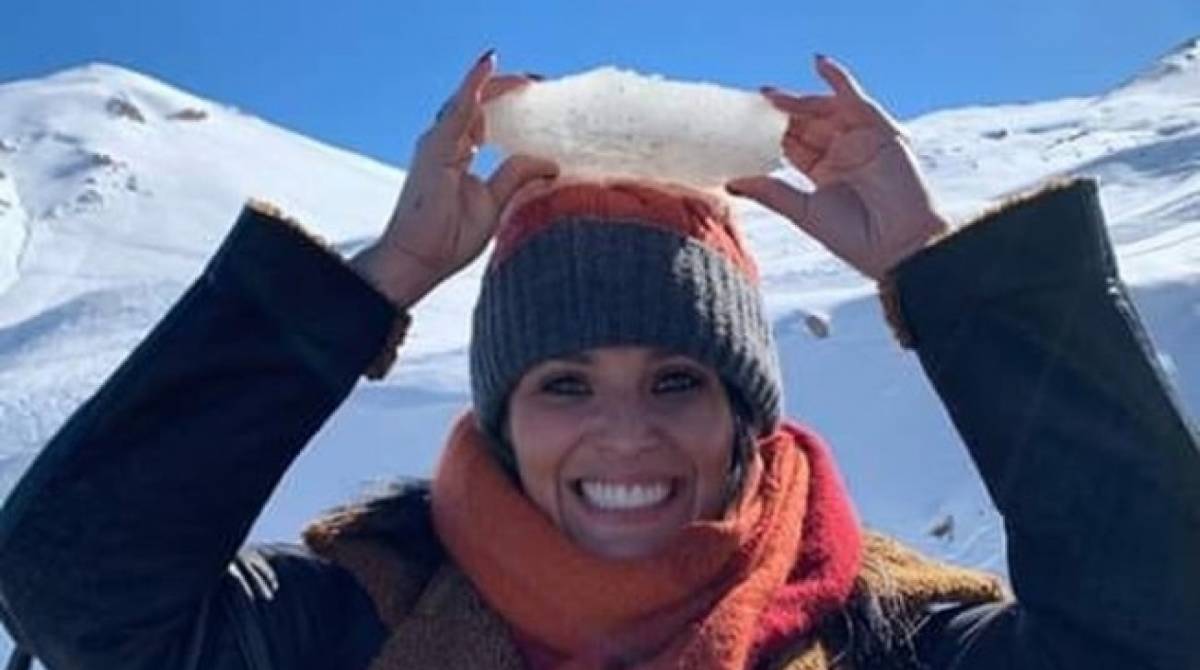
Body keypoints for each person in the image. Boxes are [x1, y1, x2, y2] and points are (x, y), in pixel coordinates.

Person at [0, 49, 1196, 670]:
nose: (626, 433)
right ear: (500, 415)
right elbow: (75, 591)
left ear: (747, 415)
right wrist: (380, 279)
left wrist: (940, 268)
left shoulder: (888, 637)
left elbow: (1157, 633)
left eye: (679, 379)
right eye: (564, 382)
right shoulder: (356, 619)